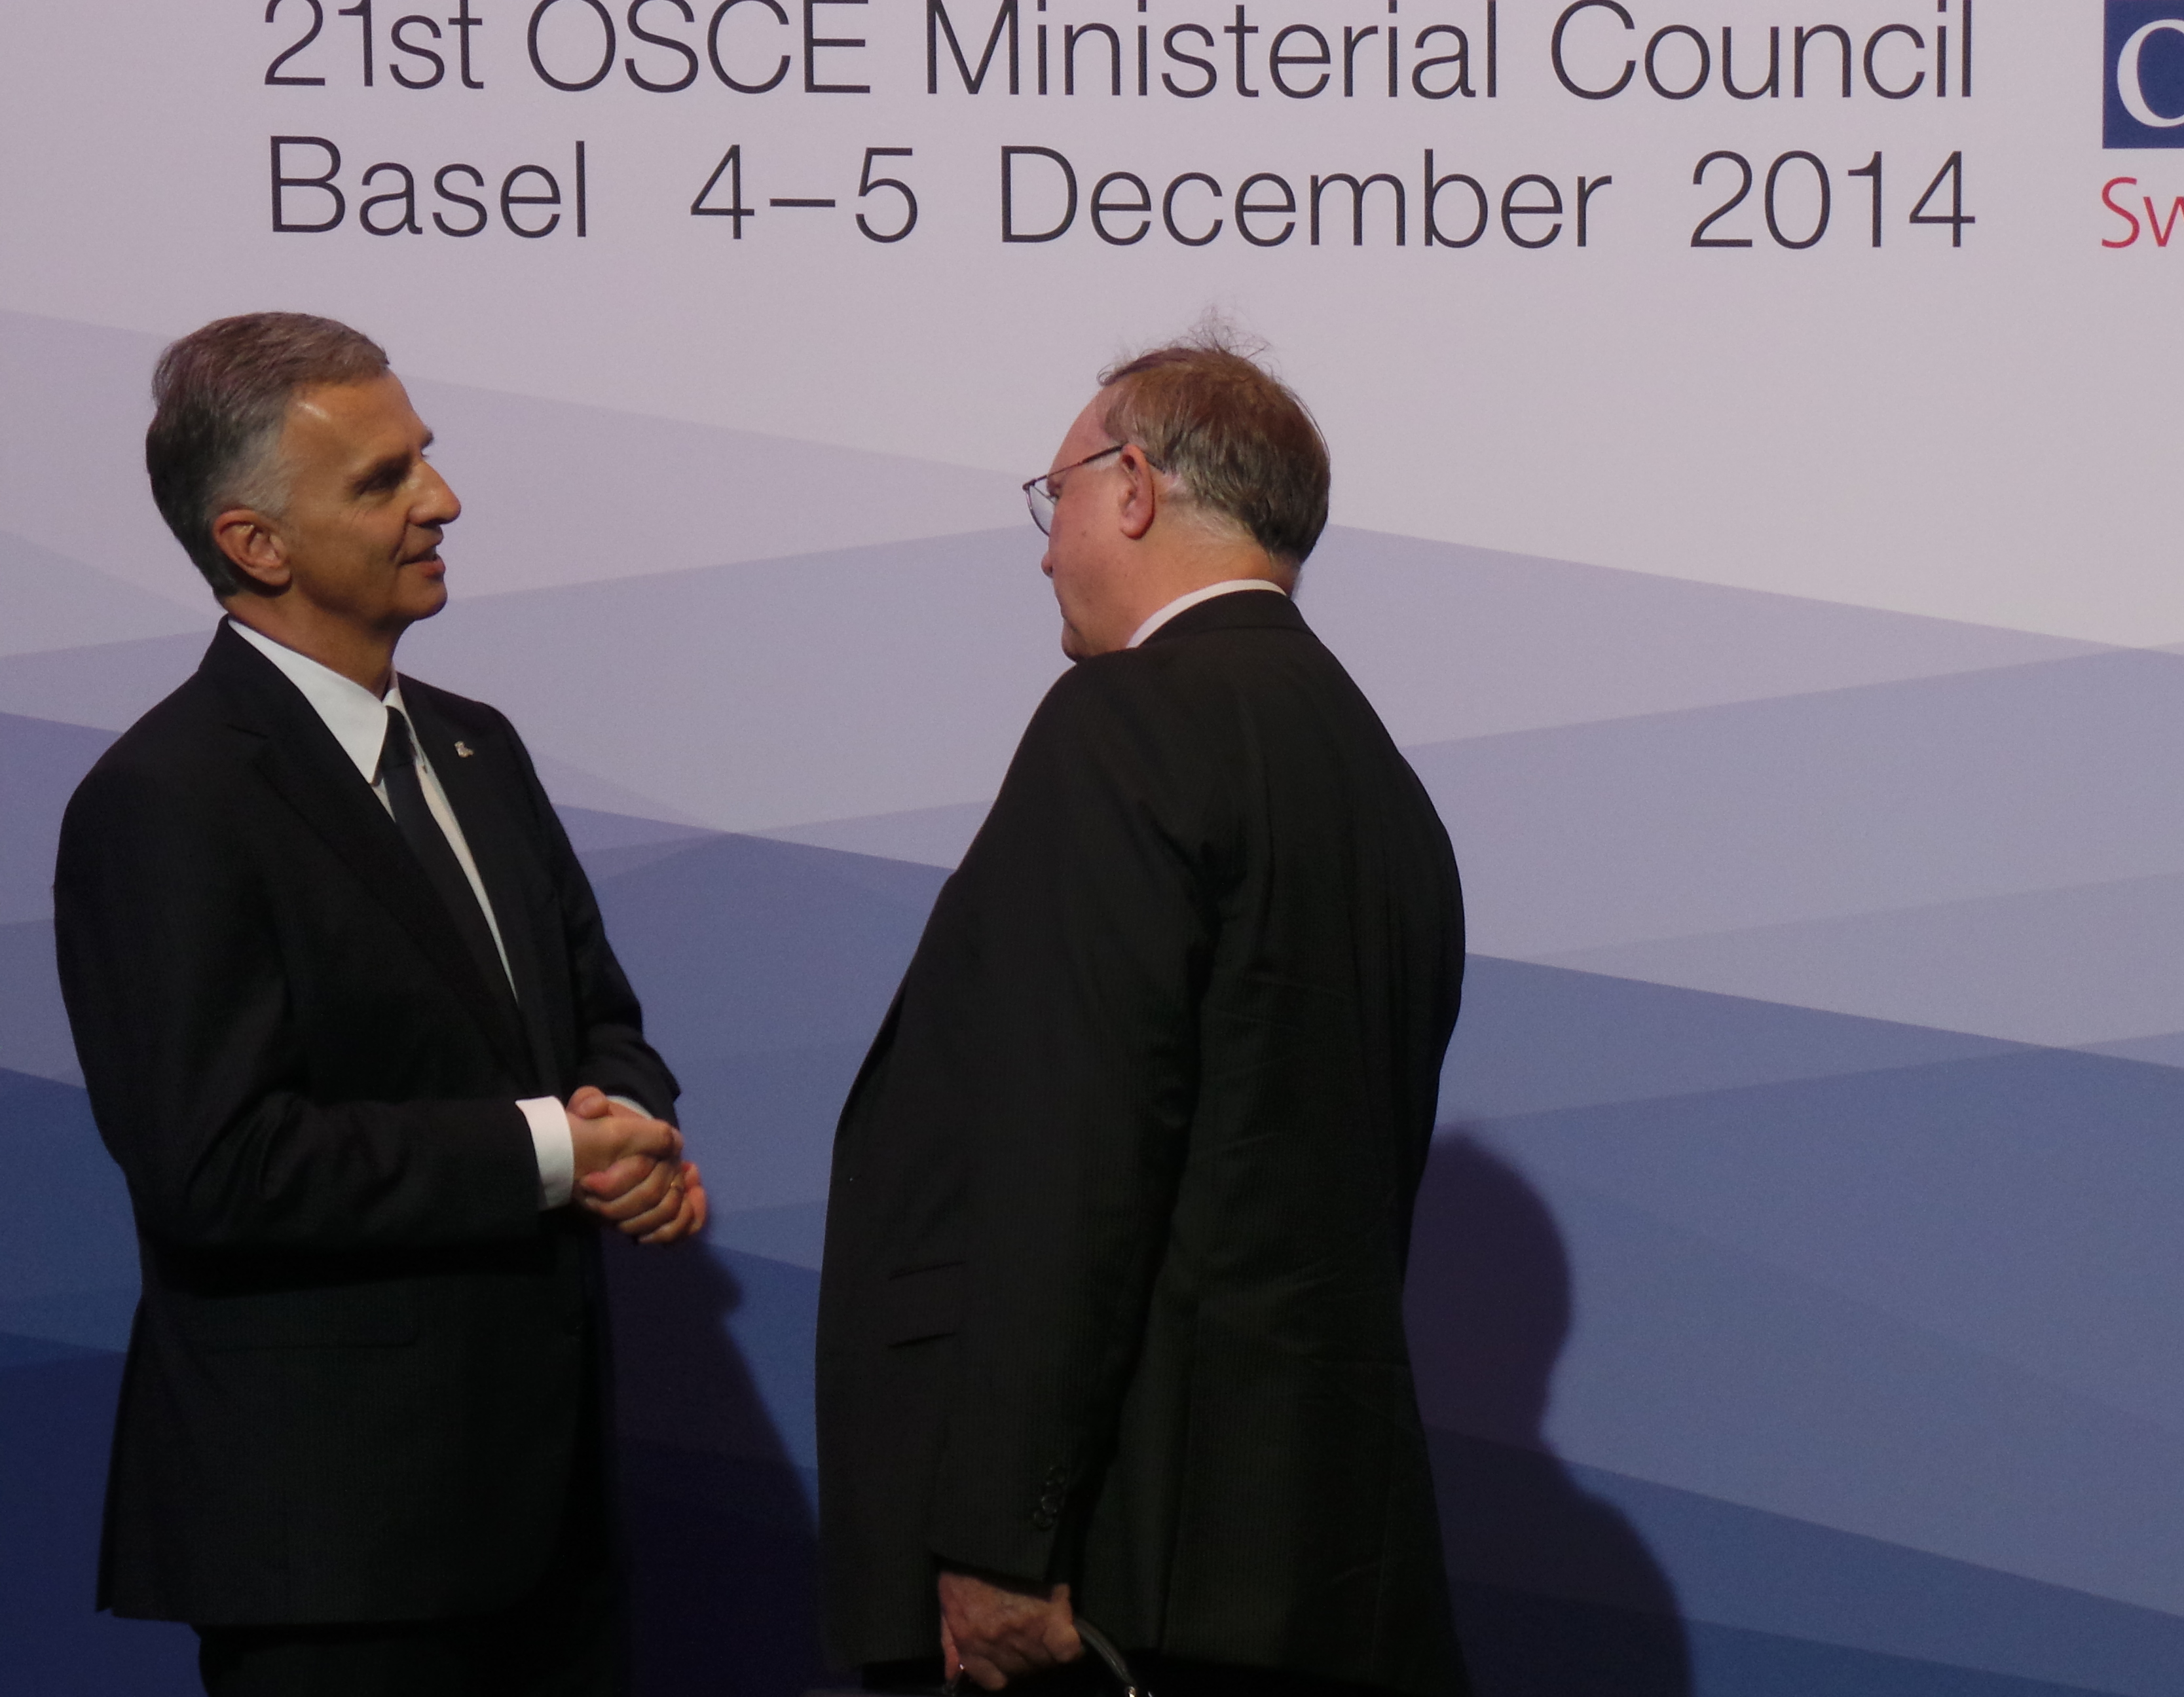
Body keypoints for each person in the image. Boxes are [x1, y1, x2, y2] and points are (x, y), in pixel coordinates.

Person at [52, 312, 709, 1697]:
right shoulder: (166, 803)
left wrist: (631, 1132)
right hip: (339, 1559)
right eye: (383, 480)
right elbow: (217, 1166)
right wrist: (553, 1153)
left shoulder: (480, 746)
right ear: (256, 544)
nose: (442, 500)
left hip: (552, 1528)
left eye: (427, 458)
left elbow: (597, 1016)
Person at [816, 336, 1471, 1697]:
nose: (1045, 551)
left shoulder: (1123, 725)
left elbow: (1074, 1159)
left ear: (1131, 486)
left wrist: (1003, 1533)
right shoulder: (1381, 784)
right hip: (1311, 1564)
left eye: (1051, 497)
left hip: (1112, 1576)